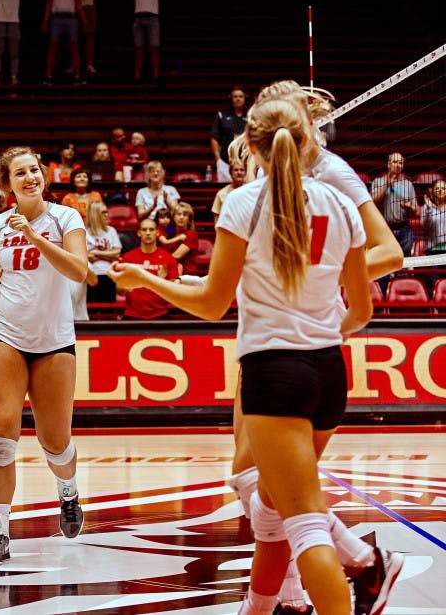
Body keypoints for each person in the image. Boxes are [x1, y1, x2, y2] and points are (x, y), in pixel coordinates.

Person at [110, 95, 402, 615]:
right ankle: (265, 605)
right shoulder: (338, 204)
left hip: (274, 373)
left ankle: (360, 565)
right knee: (271, 506)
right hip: (329, 371)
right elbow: (359, 310)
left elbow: (212, 304)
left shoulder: (244, 202)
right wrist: (316, 326)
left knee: (304, 521)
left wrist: (144, 278)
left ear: (248, 147)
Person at [225, 80, 405, 615]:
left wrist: (310, 279)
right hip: (270, 337)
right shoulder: (271, 169)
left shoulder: (330, 173)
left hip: (296, 340)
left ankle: (345, 568)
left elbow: (390, 251)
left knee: (269, 489)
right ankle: (292, 595)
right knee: (261, 486)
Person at [0, 145, 88, 566]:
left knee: (56, 444)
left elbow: (79, 271)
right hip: (6, 336)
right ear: (8, 184)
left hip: (54, 341)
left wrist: (36, 237)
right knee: (0, 436)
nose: (30, 177)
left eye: (34, 170)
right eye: (20, 173)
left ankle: (68, 491)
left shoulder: (66, 218)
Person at [107, 0, 187, 85]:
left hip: (152, 19)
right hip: (138, 19)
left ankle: (156, 77)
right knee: (139, 49)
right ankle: (137, 77)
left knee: (154, 49)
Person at [70, 0, 127, 76]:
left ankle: (89, 63)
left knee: (90, 36)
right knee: (74, 37)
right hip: (74, 6)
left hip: (89, 6)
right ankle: (74, 64)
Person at [114, 218, 178, 319]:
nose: (148, 233)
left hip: (160, 314)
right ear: (139, 233)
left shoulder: (168, 258)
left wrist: (162, 281)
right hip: (132, 315)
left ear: (157, 233)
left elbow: (174, 294)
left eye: (151, 229)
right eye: (144, 230)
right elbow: (119, 291)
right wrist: (126, 284)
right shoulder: (128, 258)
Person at [41, 0, 87, 87]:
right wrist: (45, 21)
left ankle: (77, 76)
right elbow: (49, 4)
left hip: (71, 18)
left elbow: (78, 4)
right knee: (53, 47)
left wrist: (84, 20)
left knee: (74, 47)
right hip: (57, 18)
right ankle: (48, 75)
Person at [371, 151, 417, 259]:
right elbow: (373, 202)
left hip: (404, 228)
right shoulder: (378, 182)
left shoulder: (408, 184)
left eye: (400, 163)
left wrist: (410, 207)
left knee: (405, 262)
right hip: (384, 228)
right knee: (385, 262)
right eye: (395, 162)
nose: (398, 165)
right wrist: (387, 184)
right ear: (388, 164)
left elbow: (416, 210)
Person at [83, 199, 121, 306]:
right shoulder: (84, 232)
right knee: (92, 308)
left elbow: (117, 253)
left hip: (109, 275)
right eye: (103, 212)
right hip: (91, 276)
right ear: (95, 215)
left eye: (107, 212)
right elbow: (86, 256)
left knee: (109, 309)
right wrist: (108, 255)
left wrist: (95, 252)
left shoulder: (111, 231)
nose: (107, 215)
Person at [210, 86, 248, 182]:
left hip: (246, 163)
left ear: (244, 98)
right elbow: (214, 138)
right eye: (235, 96)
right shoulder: (222, 116)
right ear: (231, 99)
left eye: (240, 96)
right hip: (225, 162)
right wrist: (218, 160)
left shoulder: (251, 116)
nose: (238, 99)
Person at [212, 139, 249, 223]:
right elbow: (216, 219)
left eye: (242, 170)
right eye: (236, 170)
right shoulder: (221, 194)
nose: (239, 172)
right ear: (230, 173)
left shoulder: (250, 192)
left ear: (246, 172)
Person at [164, 201, 198, 276]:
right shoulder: (170, 234)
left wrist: (157, 262)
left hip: (187, 275)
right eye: (179, 214)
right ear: (173, 217)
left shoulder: (191, 234)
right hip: (170, 273)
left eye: (185, 215)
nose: (181, 217)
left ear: (189, 219)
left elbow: (177, 255)